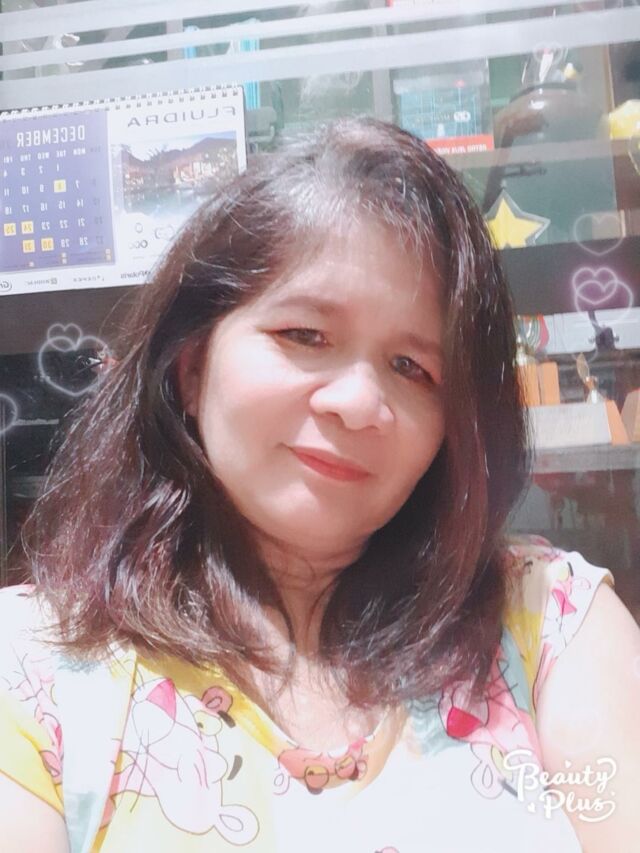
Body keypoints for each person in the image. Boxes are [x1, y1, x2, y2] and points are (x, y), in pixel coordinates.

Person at [1, 117, 639, 853]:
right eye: (304, 335)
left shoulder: (552, 626)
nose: (359, 402)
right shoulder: (34, 669)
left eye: (414, 368)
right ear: (192, 367)